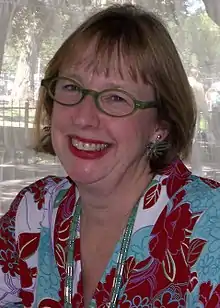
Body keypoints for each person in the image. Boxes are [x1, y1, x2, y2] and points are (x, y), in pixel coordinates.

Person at [0, 4, 220, 307]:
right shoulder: (34, 211)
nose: (84, 118)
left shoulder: (209, 223)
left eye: (116, 97)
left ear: (160, 125)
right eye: (71, 87)